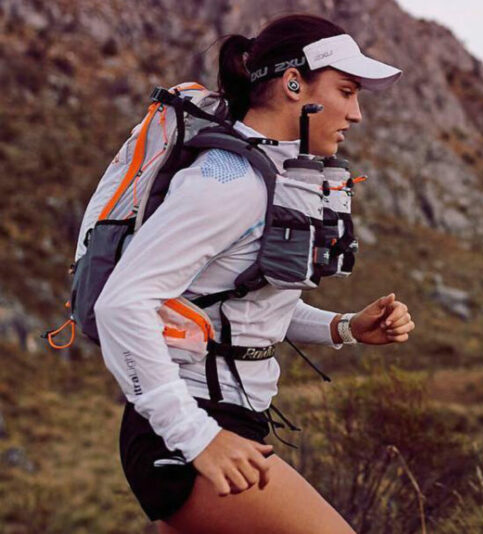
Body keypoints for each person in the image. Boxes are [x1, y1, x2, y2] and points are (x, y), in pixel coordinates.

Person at [94, 14, 413, 533]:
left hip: (228, 419)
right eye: (346, 91)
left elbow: (237, 306)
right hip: (190, 427)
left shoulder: (273, 175)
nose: (356, 114)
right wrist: (197, 437)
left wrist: (345, 327)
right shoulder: (226, 181)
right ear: (293, 84)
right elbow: (121, 304)